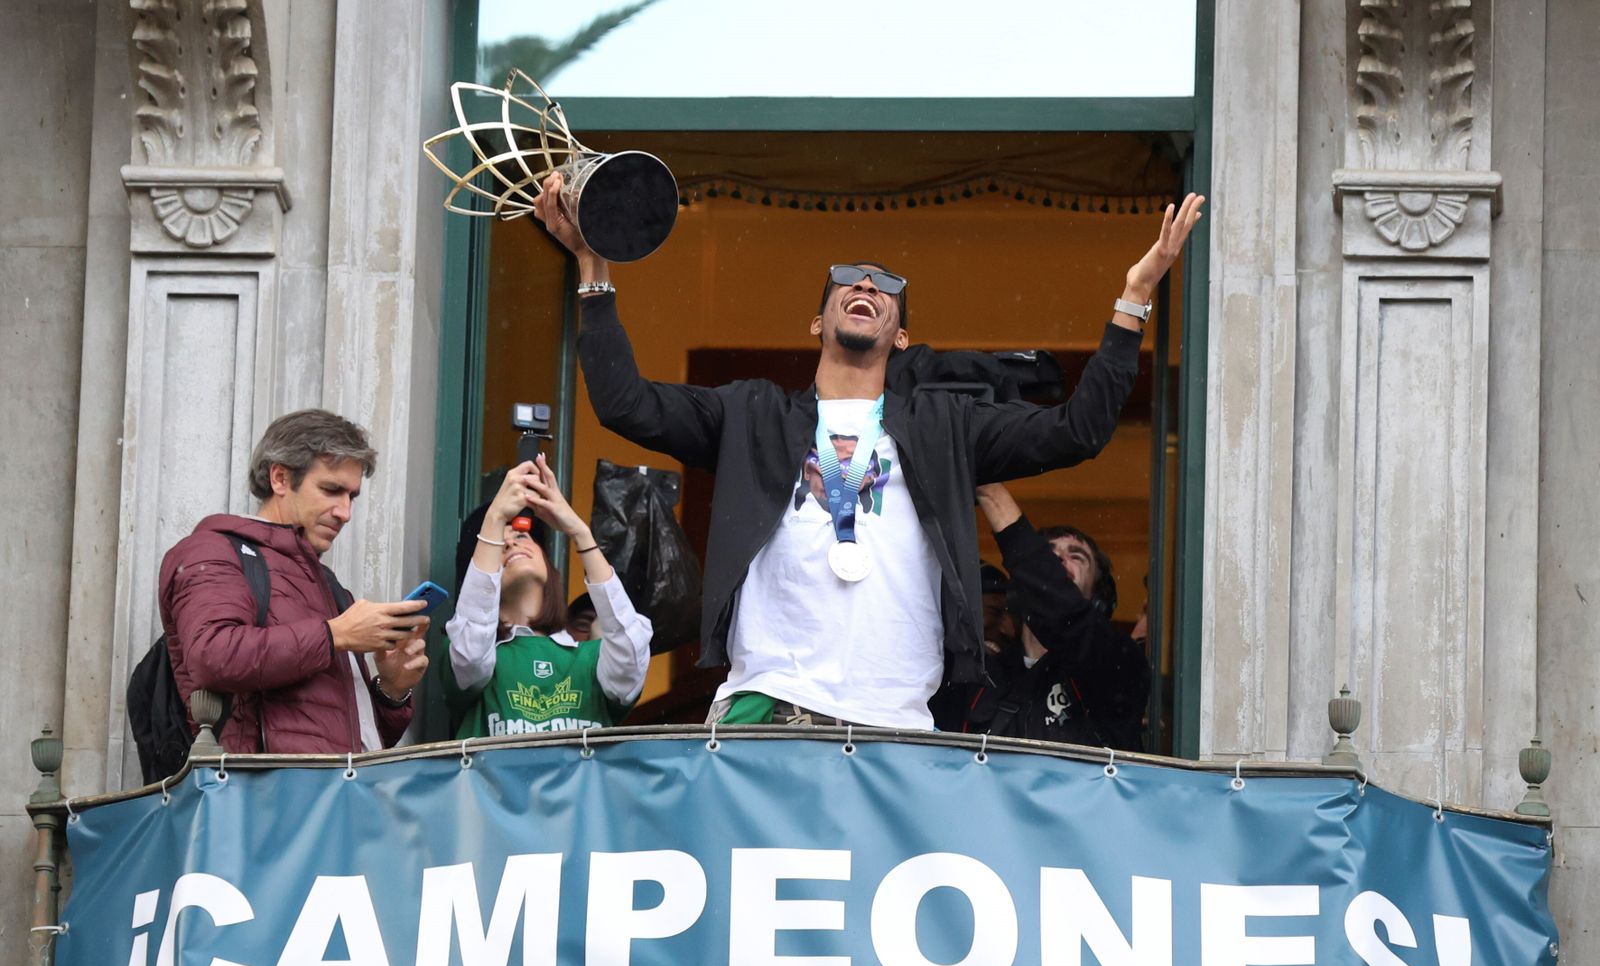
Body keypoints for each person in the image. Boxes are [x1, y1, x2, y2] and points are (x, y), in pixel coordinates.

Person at [533, 175, 1202, 729]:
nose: (866, 286)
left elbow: (1077, 431)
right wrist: (594, 270)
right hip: (770, 704)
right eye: (847, 281)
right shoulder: (751, 413)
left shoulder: (943, 425)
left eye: (885, 285)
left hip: (897, 721)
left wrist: (1135, 298)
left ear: (902, 334)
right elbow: (624, 403)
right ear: (818, 322)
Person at [158, 409, 430, 754]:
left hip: (343, 796)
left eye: (352, 497)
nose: (345, 512)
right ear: (280, 479)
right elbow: (212, 656)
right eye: (332, 490)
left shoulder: (327, 583)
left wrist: (392, 689)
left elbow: (344, 736)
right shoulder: (212, 549)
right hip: (267, 797)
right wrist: (337, 635)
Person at [444, 455, 651, 736]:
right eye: (498, 545)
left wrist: (579, 532)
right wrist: (494, 519)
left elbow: (631, 645)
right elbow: (470, 650)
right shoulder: (478, 658)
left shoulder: (594, 658)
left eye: (521, 536)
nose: (509, 543)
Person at [935, 483, 1147, 749]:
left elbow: (1065, 614)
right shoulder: (979, 677)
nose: (1057, 561)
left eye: (1077, 557)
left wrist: (991, 492)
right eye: (1048, 555)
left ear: (1096, 597)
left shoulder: (1117, 663)